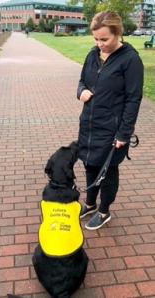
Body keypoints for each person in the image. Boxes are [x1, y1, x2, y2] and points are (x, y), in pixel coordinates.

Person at [77, 11, 143, 230]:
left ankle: (104, 211)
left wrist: (124, 133)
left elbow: (133, 99)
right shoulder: (92, 55)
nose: (99, 44)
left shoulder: (130, 60)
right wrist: (81, 91)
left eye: (104, 39)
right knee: (89, 166)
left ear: (118, 33)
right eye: (96, 39)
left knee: (107, 172)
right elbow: (81, 81)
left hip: (111, 130)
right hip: (89, 124)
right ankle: (89, 204)